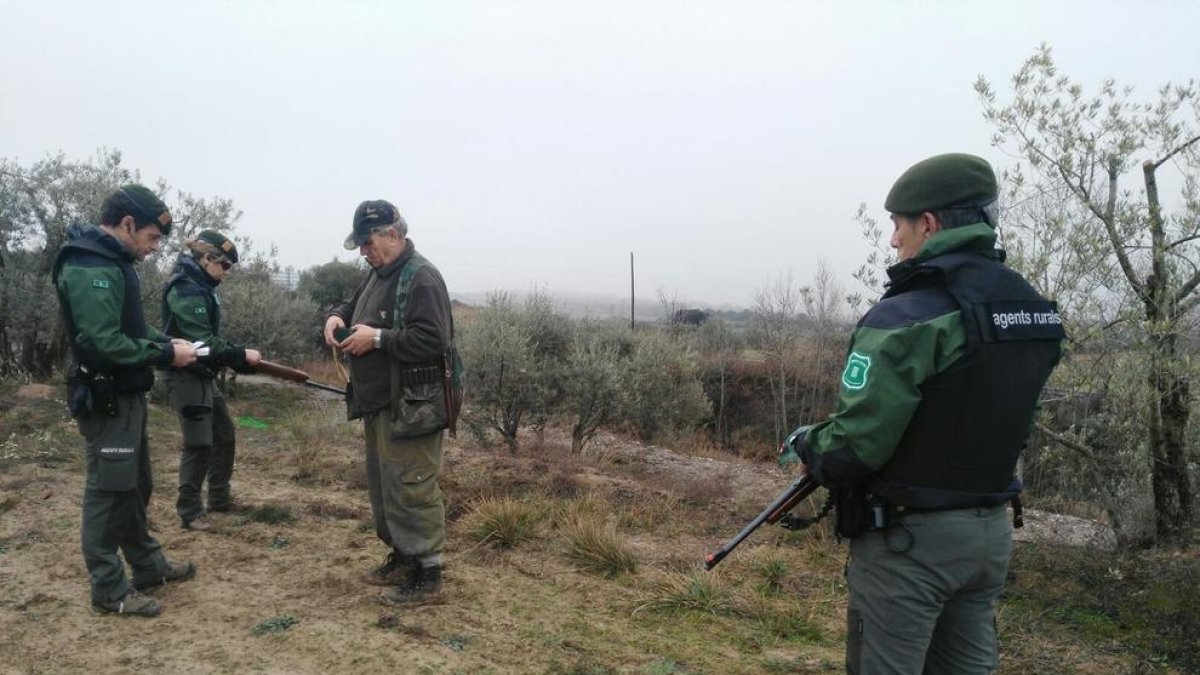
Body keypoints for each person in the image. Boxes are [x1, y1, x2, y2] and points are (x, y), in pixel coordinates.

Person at [785, 154, 1064, 673]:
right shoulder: (1033, 311)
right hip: (990, 537)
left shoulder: (907, 317)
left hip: (910, 544)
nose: (894, 240)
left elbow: (853, 449)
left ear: (928, 224)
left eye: (898, 224)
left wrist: (808, 446)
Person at [53, 184, 201, 617]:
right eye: (153, 238)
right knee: (108, 491)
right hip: (107, 398)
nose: (155, 248)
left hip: (126, 393)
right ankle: (109, 589)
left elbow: (129, 329)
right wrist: (165, 353)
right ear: (129, 224)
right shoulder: (88, 264)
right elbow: (102, 342)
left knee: (136, 484)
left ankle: (148, 565)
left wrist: (164, 339)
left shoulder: (114, 261)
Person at [323, 200, 457, 605]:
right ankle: (402, 556)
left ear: (393, 236)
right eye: (361, 245)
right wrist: (335, 315)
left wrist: (377, 338)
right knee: (385, 485)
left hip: (413, 406)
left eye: (367, 243)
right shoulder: (379, 272)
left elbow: (434, 340)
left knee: (413, 485)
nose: (364, 252)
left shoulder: (422, 279)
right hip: (380, 401)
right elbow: (353, 304)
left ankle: (428, 572)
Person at [161, 230, 262, 531]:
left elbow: (209, 342)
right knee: (199, 443)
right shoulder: (186, 287)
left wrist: (235, 358)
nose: (226, 273)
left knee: (224, 434)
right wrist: (240, 354)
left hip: (202, 373)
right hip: (184, 374)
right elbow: (201, 341)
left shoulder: (202, 285)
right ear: (206, 259)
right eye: (224, 266)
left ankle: (218, 498)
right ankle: (190, 512)